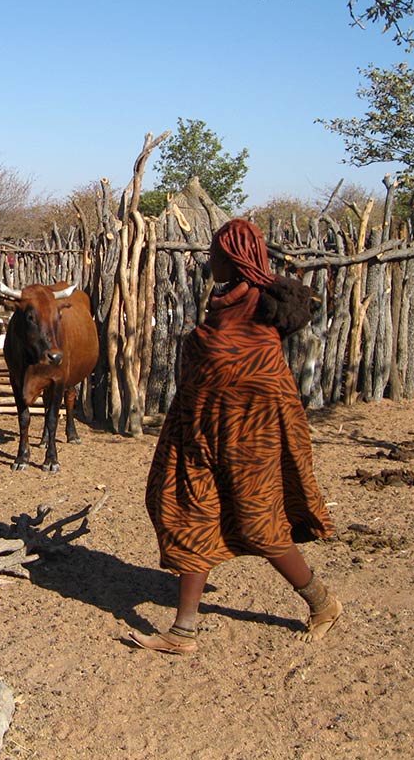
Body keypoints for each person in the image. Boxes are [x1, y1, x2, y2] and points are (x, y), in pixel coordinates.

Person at [129, 218, 341, 653]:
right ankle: (183, 631)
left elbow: (266, 384)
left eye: (216, 254)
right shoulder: (223, 307)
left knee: (259, 525)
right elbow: (205, 379)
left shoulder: (266, 310)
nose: (210, 261)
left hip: (253, 440)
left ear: (234, 257)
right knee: (190, 514)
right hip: (200, 433)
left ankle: (322, 602)